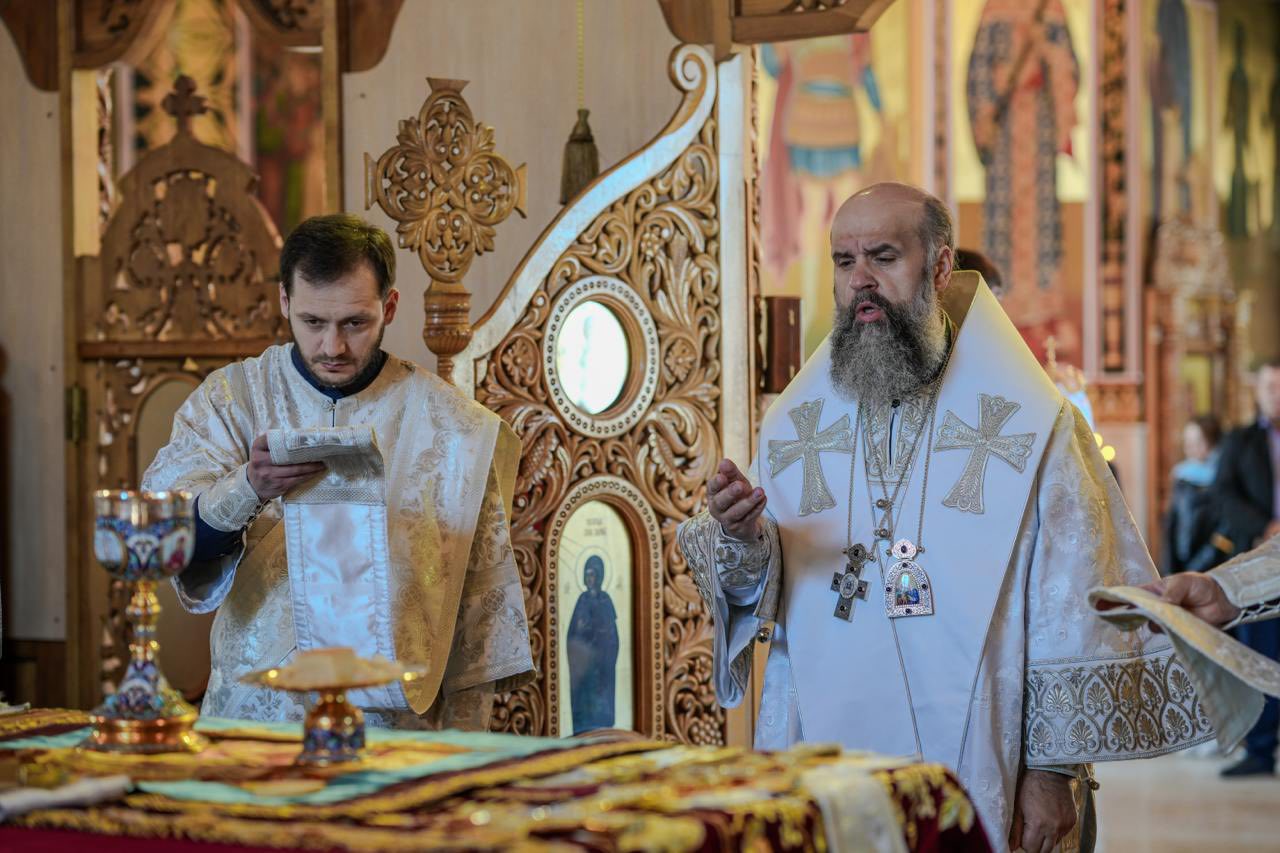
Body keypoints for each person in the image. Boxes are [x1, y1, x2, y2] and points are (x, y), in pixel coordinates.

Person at [678, 183, 1212, 853]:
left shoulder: (1033, 423)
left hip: (984, 748)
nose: (860, 279)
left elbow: (1073, 604)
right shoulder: (797, 423)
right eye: (844, 261)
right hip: (826, 748)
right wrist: (741, 536)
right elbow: (763, 583)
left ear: (939, 267)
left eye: (883, 256)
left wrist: (1052, 770)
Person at [142, 214, 534, 730]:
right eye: (313, 322)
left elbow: (480, 620)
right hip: (257, 714)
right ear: (285, 301)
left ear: (388, 307)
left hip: (394, 727)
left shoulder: (452, 426)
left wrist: (463, 750)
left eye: (354, 323)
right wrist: (248, 488)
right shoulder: (231, 400)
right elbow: (162, 537)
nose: (332, 347)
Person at [1203, 359, 1280, 775]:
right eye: (1270, 386)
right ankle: (1260, 751)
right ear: (1258, 391)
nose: (1276, 394)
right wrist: (1264, 526)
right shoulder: (1240, 441)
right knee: (1260, 654)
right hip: (1259, 560)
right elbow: (1221, 495)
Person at [1161, 415, 1224, 575]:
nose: (1190, 447)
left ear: (1212, 441)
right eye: (1187, 441)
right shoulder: (1181, 476)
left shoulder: (1224, 476)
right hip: (1182, 560)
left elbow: (1224, 531)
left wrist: (1197, 567)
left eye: (1197, 441)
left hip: (1215, 563)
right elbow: (1173, 524)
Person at [565, 555, 620, 734]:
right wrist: (583, 632)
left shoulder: (606, 601)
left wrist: (601, 638)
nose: (590, 579)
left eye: (593, 575)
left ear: (600, 576)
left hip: (602, 663)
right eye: (587, 575)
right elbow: (573, 634)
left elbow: (613, 637)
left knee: (601, 701)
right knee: (584, 700)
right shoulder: (582, 600)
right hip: (584, 662)